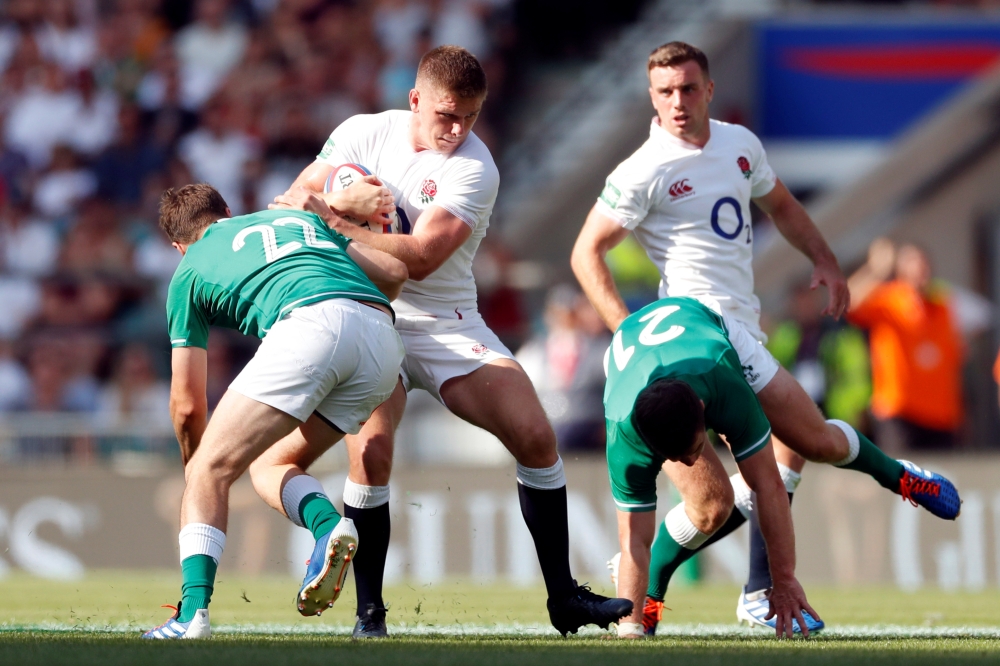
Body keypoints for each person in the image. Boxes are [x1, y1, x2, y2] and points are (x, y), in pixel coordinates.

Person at [570, 41, 961, 634]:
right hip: (693, 338)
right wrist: (629, 328)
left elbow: (781, 205)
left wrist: (826, 261)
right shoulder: (641, 170)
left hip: (742, 328)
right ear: (651, 97)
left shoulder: (739, 146)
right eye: (665, 92)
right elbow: (585, 252)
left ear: (709, 89)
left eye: (688, 88)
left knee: (808, 445)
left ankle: (888, 486)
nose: (678, 101)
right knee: (712, 506)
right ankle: (684, 596)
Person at [280, 45, 632, 637]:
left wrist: (337, 221)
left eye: (469, 117)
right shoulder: (363, 135)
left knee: (536, 435)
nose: (456, 129)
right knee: (372, 454)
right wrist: (333, 202)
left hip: (445, 318)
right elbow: (297, 198)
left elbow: (420, 259)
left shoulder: (476, 167)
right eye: (445, 114)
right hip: (370, 310)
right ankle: (370, 618)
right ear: (414, 100)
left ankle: (563, 598)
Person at [143, 183, 408, 639]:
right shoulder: (296, 220)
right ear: (228, 210)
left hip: (310, 326)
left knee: (211, 467)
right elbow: (394, 271)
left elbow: (187, 405)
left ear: (177, 246)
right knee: (272, 464)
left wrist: (199, 469)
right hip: (382, 340)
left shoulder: (187, 271)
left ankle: (190, 616)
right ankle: (328, 526)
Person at [607, 296, 819, 638]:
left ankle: (900, 475)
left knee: (813, 443)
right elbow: (633, 539)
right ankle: (646, 601)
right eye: (677, 458)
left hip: (705, 322)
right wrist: (628, 630)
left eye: (694, 448)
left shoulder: (725, 381)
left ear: (704, 411)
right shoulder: (622, 433)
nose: (692, 462)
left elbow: (769, 485)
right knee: (710, 505)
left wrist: (784, 581)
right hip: (629, 348)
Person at [847, 238, 964, 452]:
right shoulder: (889, 299)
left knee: (941, 482)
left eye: (923, 263)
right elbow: (848, 303)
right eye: (912, 263)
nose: (919, 270)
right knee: (903, 479)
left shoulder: (942, 304)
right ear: (900, 269)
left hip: (941, 415)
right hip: (900, 412)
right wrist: (875, 269)